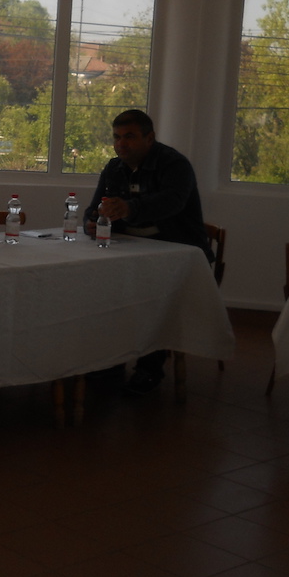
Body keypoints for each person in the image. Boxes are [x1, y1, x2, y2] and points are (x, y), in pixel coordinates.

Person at [84, 108, 214, 394]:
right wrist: (91, 223)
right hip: (129, 252)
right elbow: (94, 208)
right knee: (100, 289)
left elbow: (172, 202)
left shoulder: (175, 165)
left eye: (129, 137)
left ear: (150, 138)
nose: (121, 144)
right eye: (116, 137)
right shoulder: (113, 168)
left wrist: (129, 208)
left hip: (177, 251)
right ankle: (109, 360)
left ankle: (149, 368)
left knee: (154, 297)